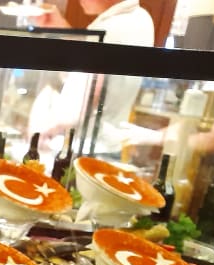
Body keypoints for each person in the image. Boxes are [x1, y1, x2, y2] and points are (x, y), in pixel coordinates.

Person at [35, 0, 155, 157]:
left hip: (85, 146)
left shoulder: (109, 28)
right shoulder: (141, 18)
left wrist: (47, 129)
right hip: (110, 144)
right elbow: (91, 60)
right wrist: (61, 29)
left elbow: (90, 91)